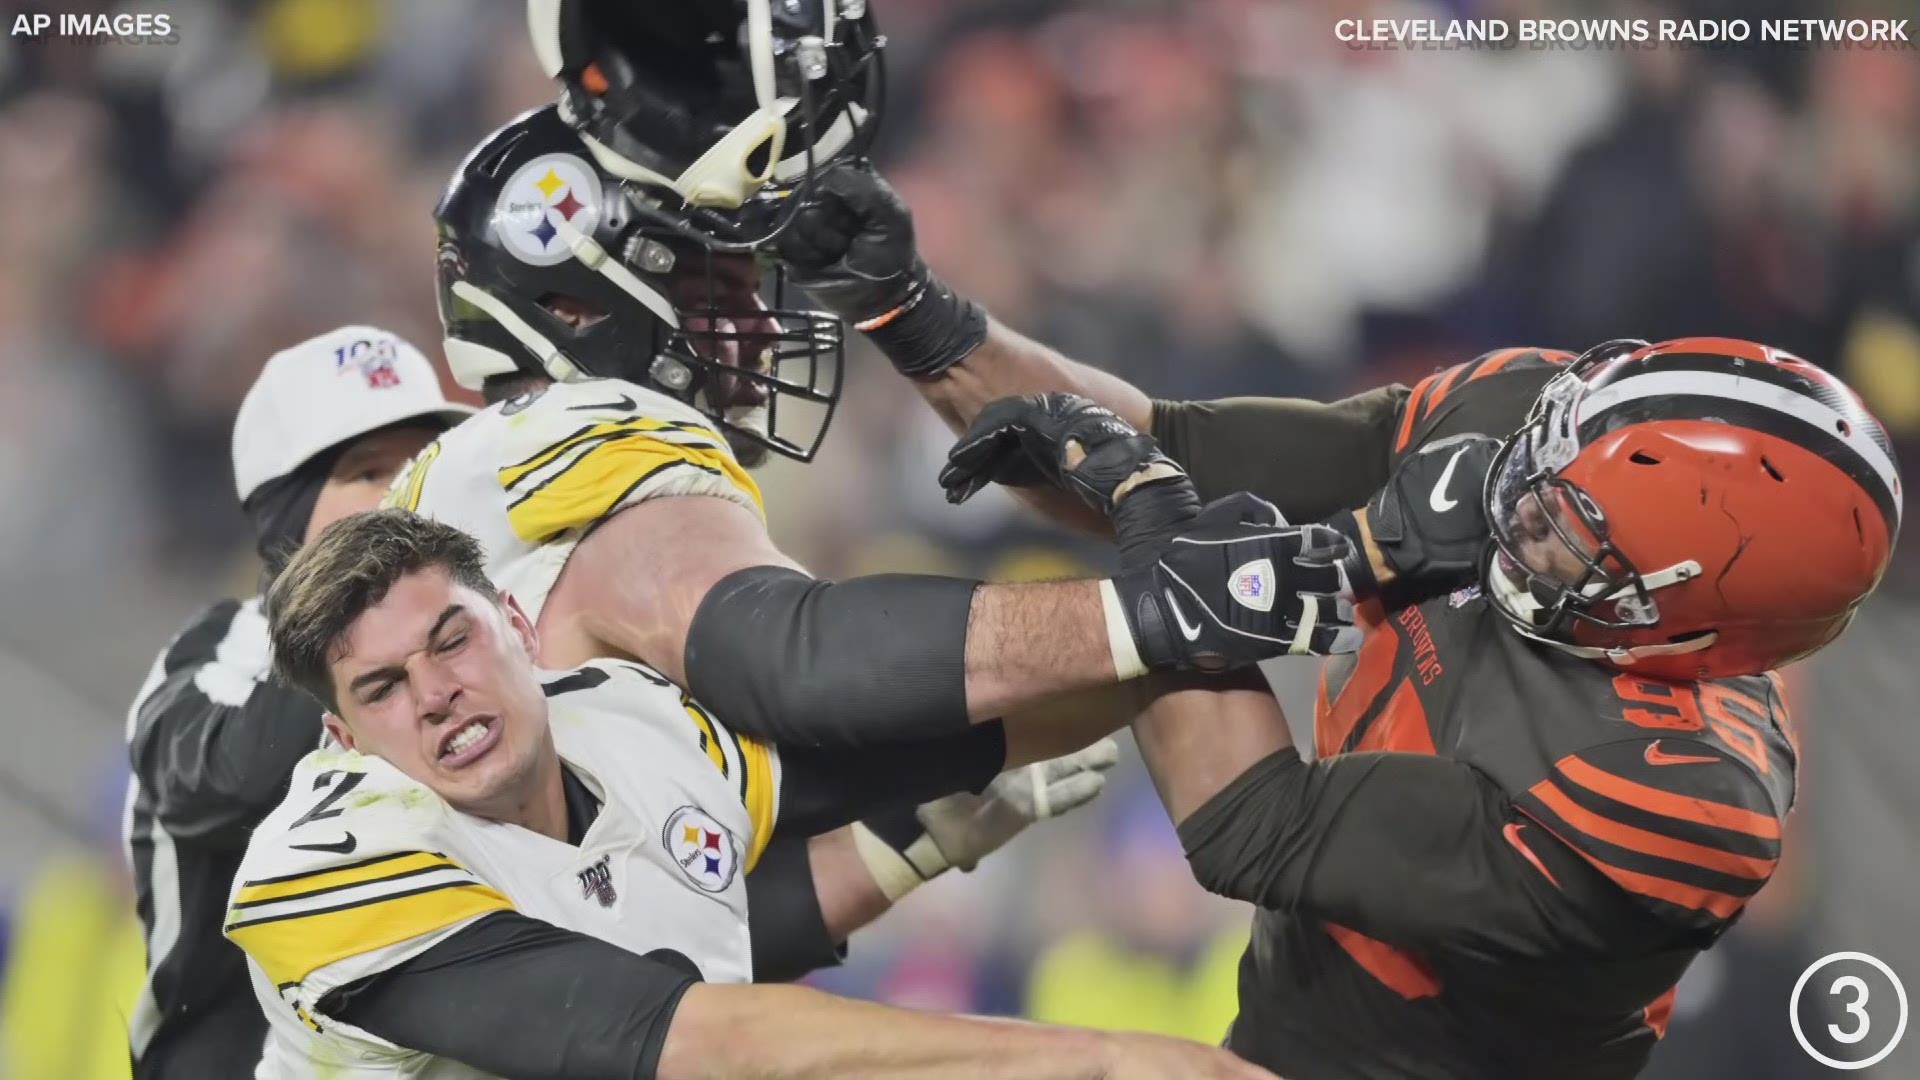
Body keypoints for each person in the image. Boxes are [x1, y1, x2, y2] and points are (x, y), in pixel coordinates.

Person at [932, 339, 1896, 1079]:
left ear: (1688, 621)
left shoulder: (1671, 796)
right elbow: (1185, 442)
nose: (1515, 501)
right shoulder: (1540, 428)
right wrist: (915, 314)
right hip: (1273, 1025)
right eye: (1545, 455)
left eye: (1568, 527)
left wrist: (1170, 524)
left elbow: (1247, 823)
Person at [230, 507, 1275, 1080]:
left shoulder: (628, 719)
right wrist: (1104, 1063)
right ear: (343, 737)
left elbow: (913, 746)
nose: (436, 693)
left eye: (450, 639)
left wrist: (1160, 644)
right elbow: (694, 1039)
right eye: (381, 688)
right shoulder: (328, 870)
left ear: (516, 621)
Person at [124, 327, 473, 1079]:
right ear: (287, 519)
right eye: (370, 471)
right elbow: (227, 779)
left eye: (422, 464)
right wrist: (350, 631)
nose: (406, 495)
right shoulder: (219, 651)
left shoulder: (481, 649)